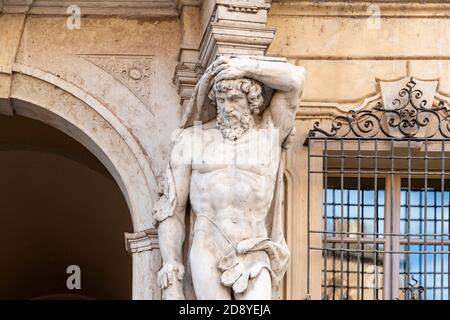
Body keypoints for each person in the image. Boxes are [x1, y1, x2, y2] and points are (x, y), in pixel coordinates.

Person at [152, 56, 306, 299]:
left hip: (254, 246)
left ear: (252, 101)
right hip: (208, 243)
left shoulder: (269, 134)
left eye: (235, 99)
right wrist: (171, 261)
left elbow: (296, 80)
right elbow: (173, 209)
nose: (227, 107)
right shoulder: (192, 140)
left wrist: (245, 66)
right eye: (222, 100)